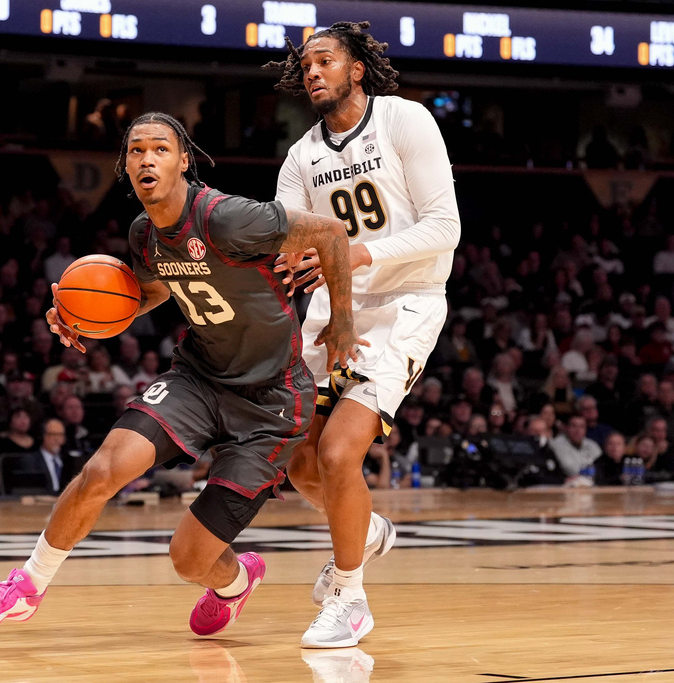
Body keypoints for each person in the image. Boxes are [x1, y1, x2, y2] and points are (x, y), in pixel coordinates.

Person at [0, 111, 363, 641]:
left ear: (183, 161)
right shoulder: (143, 234)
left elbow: (332, 232)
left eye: (160, 149)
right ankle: (26, 586)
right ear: (125, 167)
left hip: (270, 401)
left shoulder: (228, 218)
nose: (147, 159)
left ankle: (235, 582)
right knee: (103, 470)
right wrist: (84, 316)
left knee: (189, 559)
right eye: (136, 151)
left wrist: (341, 323)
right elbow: (150, 291)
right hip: (198, 378)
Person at [267, 20, 460, 647]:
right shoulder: (302, 158)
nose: (312, 71)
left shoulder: (404, 121)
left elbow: (444, 229)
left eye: (324, 60)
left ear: (356, 69)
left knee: (338, 453)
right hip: (334, 307)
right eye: (305, 65)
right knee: (300, 465)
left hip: (407, 301)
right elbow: (292, 248)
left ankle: (350, 599)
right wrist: (291, 260)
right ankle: (368, 530)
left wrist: (360, 254)